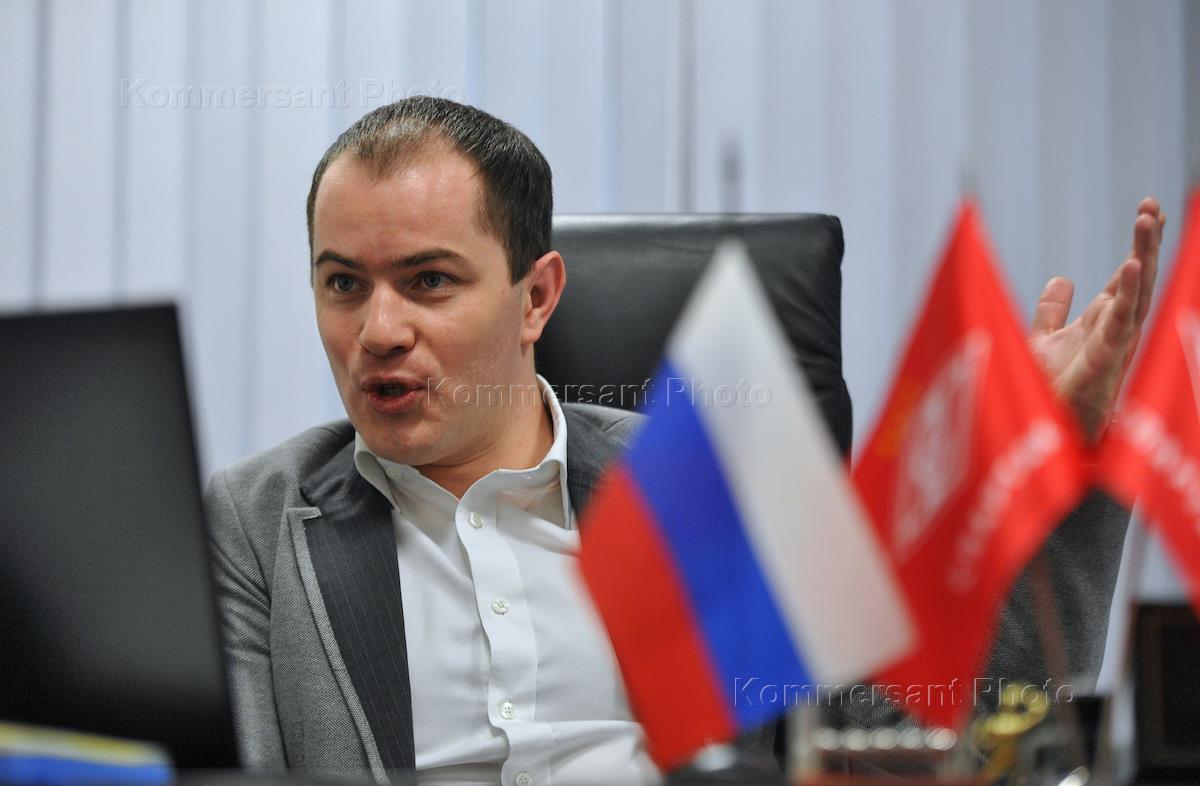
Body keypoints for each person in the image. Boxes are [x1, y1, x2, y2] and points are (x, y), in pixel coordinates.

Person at [205, 96, 1166, 785]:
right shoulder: (257, 521)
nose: (378, 331)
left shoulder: (705, 483)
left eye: (428, 281)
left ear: (535, 297)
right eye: (343, 284)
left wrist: (1066, 463)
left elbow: (935, 742)